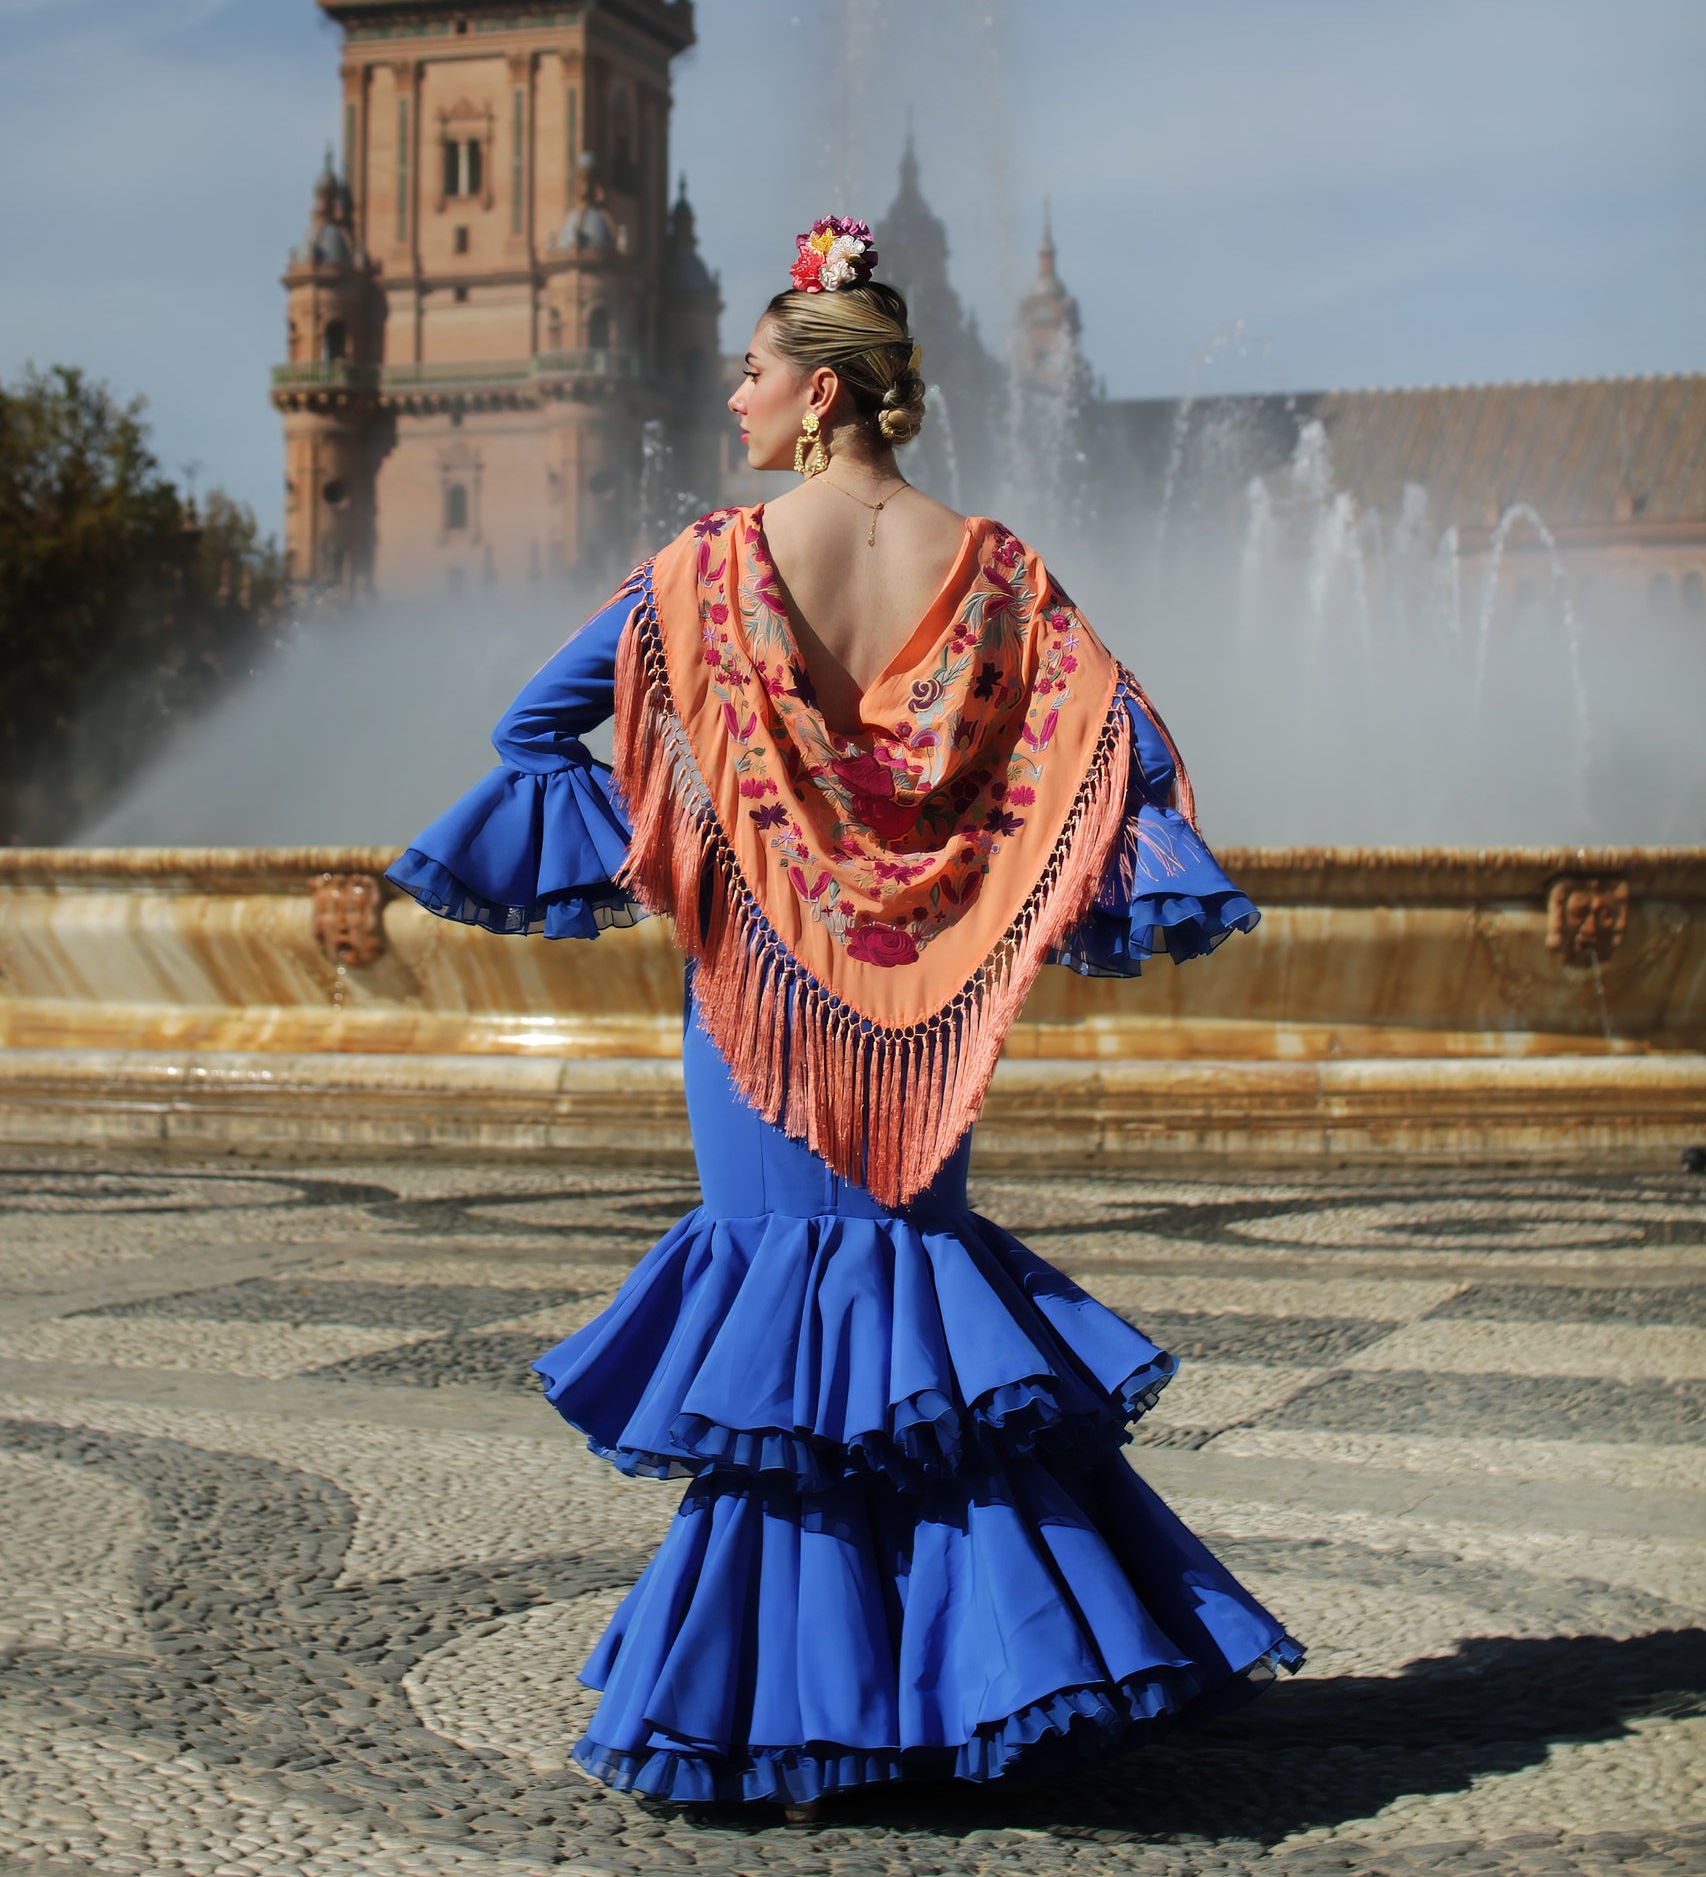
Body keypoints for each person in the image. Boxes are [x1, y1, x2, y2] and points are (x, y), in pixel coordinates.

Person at [387, 216, 1299, 1815]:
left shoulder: (711, 570)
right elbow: (1125, 758)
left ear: (815, 393)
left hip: (758, 1003)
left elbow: (535, 726)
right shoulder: (998, 570)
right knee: (924, 1342)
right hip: (923, 1011)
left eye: (748, 372)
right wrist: (960, 854)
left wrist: (702, 824)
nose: (730, 397)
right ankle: (1007, 1665)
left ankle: (783, 1697)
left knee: (780, 1351)